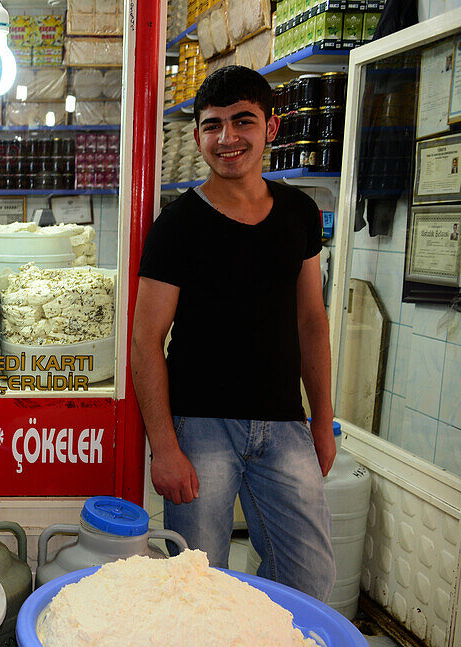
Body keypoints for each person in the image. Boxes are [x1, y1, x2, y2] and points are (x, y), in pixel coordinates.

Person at [130, 65, 336, 602]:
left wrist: (323, 421)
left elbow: (312, 321)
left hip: (284, 423)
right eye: (211, 125)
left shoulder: (299, 213)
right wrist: (164, 447)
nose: (227, 138)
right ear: (198, 136)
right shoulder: (177, 227)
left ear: (270, 127)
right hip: (201, 428)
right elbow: (145, 340)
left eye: (242, 121)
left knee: (310, 579)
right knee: (198, 584)